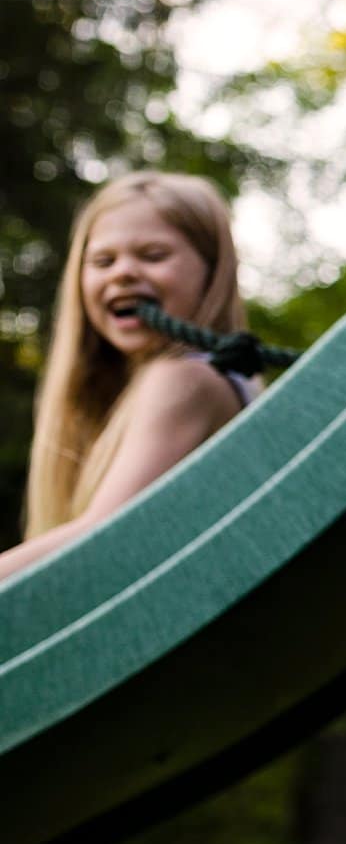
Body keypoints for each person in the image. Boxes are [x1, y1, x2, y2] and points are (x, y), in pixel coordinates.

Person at [1, 172, 257, 580]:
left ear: (211, 272)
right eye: (103, 261)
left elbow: (103, 538)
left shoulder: (183, 379)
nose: (123, 273)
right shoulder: (219, 378)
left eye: (153, 255)